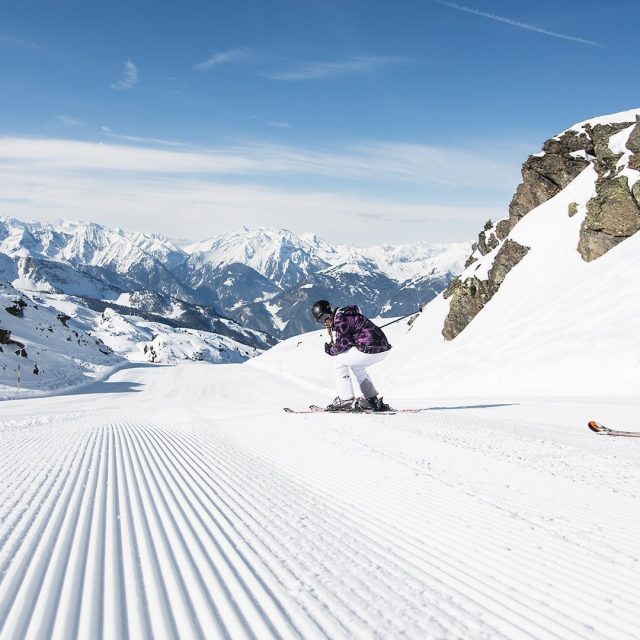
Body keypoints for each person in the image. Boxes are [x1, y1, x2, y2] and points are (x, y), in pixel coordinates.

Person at [311, 300, 392, 412]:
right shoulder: (346, 314)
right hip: (382, 349)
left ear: (330, 311)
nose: (325, 320)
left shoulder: (340, 319)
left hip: (370, 348)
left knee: (338, 361)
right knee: (357, 366)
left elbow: (342, 344)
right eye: (320, 319)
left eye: (325, 316)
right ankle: (371, 398)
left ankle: (345, 399)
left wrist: (330, 350)